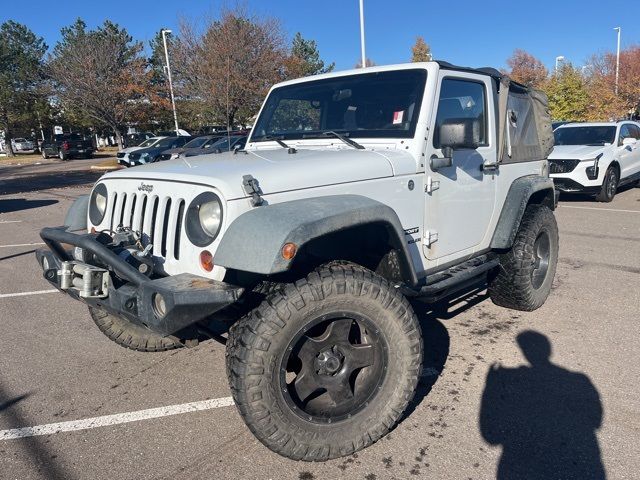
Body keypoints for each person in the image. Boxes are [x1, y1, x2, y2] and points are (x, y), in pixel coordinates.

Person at [479, 330, 605, 479]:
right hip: (581, 459)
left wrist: (492, 383)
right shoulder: (580, 380)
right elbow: (596, 420)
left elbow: (491, 436)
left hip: (518, 463)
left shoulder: (513, 378)